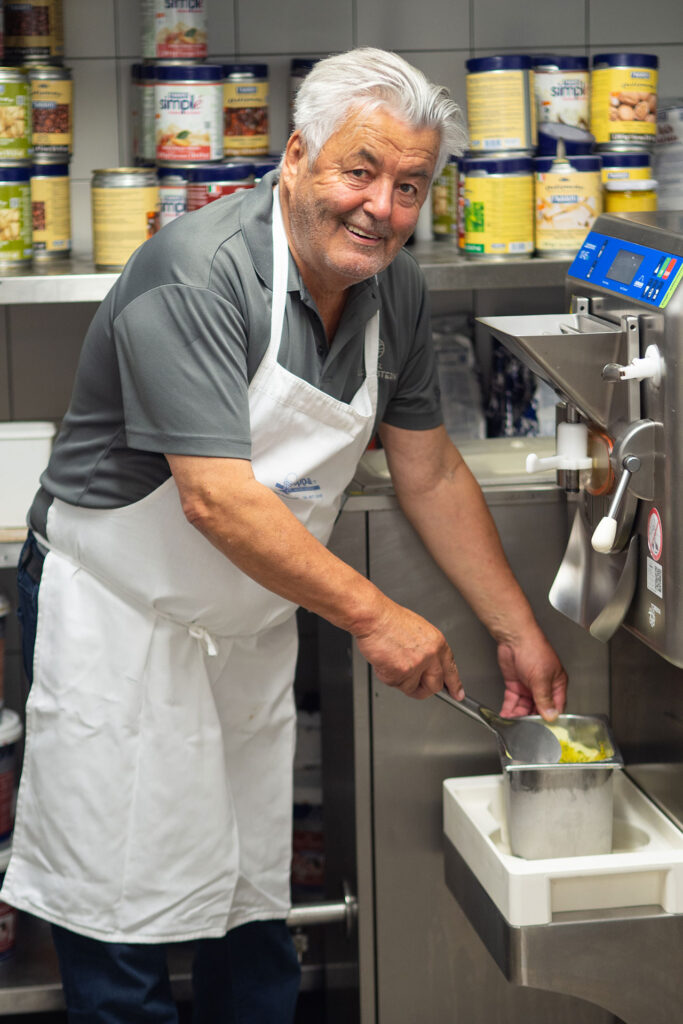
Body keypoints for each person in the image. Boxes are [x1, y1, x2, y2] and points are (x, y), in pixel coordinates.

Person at [2, 48, 567, 1023]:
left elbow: (426, 468)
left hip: (247, 617)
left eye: (408, 186)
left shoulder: (394, 289)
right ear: (297, 156)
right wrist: (378, 617)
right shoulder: (197, 274)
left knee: (246, 893)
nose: (381, 209)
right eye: (360, 171)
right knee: (117, 916)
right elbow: (216, 500)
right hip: (115, 616)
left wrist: (514, 623)